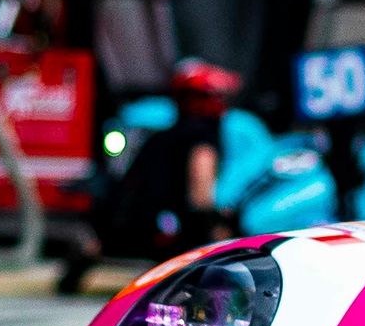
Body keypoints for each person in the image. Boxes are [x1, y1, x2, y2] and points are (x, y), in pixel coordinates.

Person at [57, 58, 239, 297]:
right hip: (165, 236)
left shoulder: (158, 137)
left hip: (121, 230)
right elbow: (200, 195)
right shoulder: (202, 139)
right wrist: (217, 225)